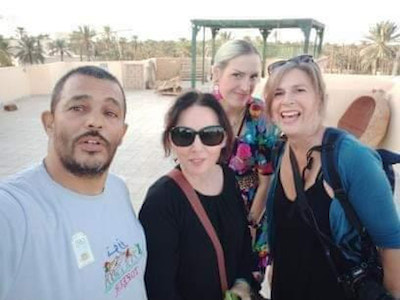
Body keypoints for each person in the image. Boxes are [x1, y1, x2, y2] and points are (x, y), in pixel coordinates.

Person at [0, 66, 147, 300]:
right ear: (49, 123)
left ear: (122, 133)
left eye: (110, 112)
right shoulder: (13, 211)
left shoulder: (118, 189)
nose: (94, 121)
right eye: (78, 108)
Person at [263, 55, 400, 299]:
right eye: (278, 93)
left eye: (299, 90)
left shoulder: (351, 157)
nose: (287, 101)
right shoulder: (281, 150)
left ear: (321, 99)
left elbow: (391, 244)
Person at [139, 91, 257, 300]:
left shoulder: (228, 178)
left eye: (210, 135)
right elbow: (159, 288)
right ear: (171, 140)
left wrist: (242, 284)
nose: (197, 147)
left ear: (224, 139)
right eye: (184, 135)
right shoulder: (161, 201)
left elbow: (242, 244)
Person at [212, 39, 278, 277]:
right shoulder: (200, 111)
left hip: (250, 212)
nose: (246, 86)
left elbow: (267, 178)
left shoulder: (260, 116)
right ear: (216, 73)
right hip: (208, 210)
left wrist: (249, 225)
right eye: (237, 75)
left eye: (253, 77)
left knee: (244, 282)